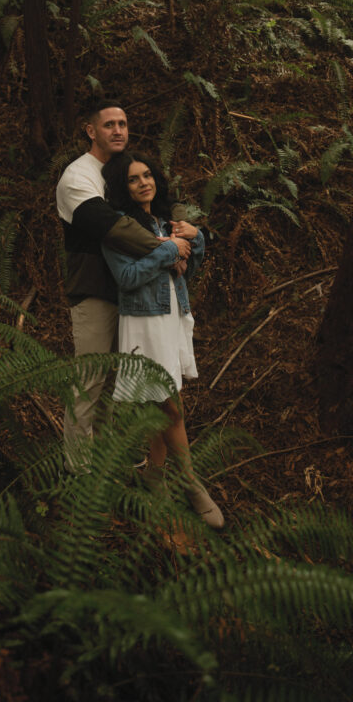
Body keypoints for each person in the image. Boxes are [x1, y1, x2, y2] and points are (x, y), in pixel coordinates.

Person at [55, 100, 191, 472]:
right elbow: (112, 227)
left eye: (123, 123)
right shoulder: (77, 177)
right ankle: (80, 470)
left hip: (137, 295)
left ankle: (117, 457)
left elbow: (165, 199)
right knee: (90, 381)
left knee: (136, 382)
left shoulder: (125, 167)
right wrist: (168, 247)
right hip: (97, 292)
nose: (118, 130)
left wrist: (186, 228)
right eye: (109, 124)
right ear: (91, 131)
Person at [101, 150, 225, 530]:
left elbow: (186, 268)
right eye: (135, 179)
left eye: (148, 175)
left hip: (171, 316)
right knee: (169, 407)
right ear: (124, 188)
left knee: (164, 402)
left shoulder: (162, 221)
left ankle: (154, 475)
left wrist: (195, 239)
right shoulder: (120, 227)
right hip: (144, 323)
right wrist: (169, 249)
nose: (144, 183)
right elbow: (126, 278)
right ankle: (190, 484)